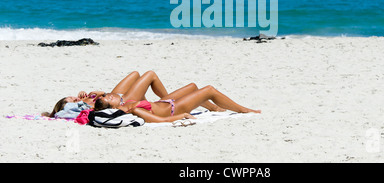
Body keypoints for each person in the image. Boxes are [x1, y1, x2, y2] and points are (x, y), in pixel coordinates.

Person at [42, 70, 240, 118]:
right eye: (72, 101)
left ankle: (209, 105)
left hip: (116, 96)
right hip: (122, 100)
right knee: (149, 74)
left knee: (136, 73)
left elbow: (101, 99)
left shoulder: (85, 98)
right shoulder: (82, 107)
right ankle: (168, 99)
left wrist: (98, 93)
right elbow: (99, 107)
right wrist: (91, 100)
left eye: (72, 97)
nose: (75, 99)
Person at [94, 83, 261, 123]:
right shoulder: (129, 109)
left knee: (193, 86)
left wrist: (99, 95)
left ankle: (216, 107)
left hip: (164, 102)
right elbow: (159, 120)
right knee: (209, 90)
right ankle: (244, 110)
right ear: (112, 107)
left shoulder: (125, 103)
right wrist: (182, 115)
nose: (111, 95)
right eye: (109, 98)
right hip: (174, 109)